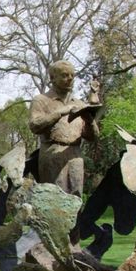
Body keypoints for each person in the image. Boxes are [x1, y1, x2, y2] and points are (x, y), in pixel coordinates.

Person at [29, 61, 101, 196]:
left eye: (72, 76)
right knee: (55, 197)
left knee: (76, 195)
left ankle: (77, 217)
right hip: (52, 153)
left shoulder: (79, 104)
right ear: (52, 78)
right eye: (64, 75)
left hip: (75, 154)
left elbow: (93, 137)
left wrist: (89, 119)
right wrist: (61, 112)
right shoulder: (41, 100)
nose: (70, 79)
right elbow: (35, 125)